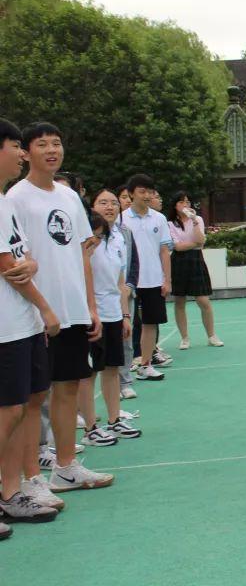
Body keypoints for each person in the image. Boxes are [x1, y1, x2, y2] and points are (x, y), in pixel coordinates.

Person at [6, 122, 112, 492]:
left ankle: (65, 466)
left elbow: (82, 254)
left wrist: (90, 306)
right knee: (34, 399)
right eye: (42, 144)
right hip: (36, 315)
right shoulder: (16, 197)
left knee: (68, 387)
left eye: (57, 143)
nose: (52, 150)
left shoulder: (69, 198)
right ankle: (29, 478)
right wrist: (40, 307)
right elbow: (17, 259)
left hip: (73, 310)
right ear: (26, 152)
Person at [0, 118, 63, 531]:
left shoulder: (3, 201)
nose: (22, 154)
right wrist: (46, 309)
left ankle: (10, 492)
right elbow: (10, 268)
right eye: (16, 146)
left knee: (18, 410)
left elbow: (22, 259)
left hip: (19, 325)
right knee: (7, 412)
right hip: (7, 326)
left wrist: (33, 263)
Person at [82, 209, 141, 442]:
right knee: (90, 372)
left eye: (100, 236)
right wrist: (91, 311)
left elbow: (120, 281)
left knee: (112, 368)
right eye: (93, 235)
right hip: (91, 317)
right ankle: (90, 427)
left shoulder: (116, 241)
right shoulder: (82, 250)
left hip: (113, 313)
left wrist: (125, 314)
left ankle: (114, 420)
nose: (96, 240)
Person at [123, 174, 172, 380]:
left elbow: (164, 251)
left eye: (149, 192)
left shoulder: (159, 219)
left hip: (153, 279)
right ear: (131, 194)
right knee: (126, 325)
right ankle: (123, 371)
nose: (146, 196)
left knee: (151, 323)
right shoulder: (121, 218)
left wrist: (167, 279)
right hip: (128, 282)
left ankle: (145, 364)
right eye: (142, 191)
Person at [166, 192, 224, 350]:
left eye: (188, 202)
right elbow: (177, 246)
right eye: (182, 202)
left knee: (203, 300)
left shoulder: (197, 219)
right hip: (178, 261)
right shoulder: (170, 223)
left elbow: (201, 240)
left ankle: (212, 335)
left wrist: (193, 221)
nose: (186, 205)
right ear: (175, 205)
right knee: (179, 301)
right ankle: (184, 338)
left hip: (196, 260)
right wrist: (195, 243)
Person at [115, 186, 140, 400]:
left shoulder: (125, 231)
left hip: (126, 292)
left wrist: (130, 286)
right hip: (102, 296)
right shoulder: (91, 233)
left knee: (126, 338)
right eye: (103, 203)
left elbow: (134, 262)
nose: (111, 207)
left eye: (114, 203)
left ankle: (125, 382)